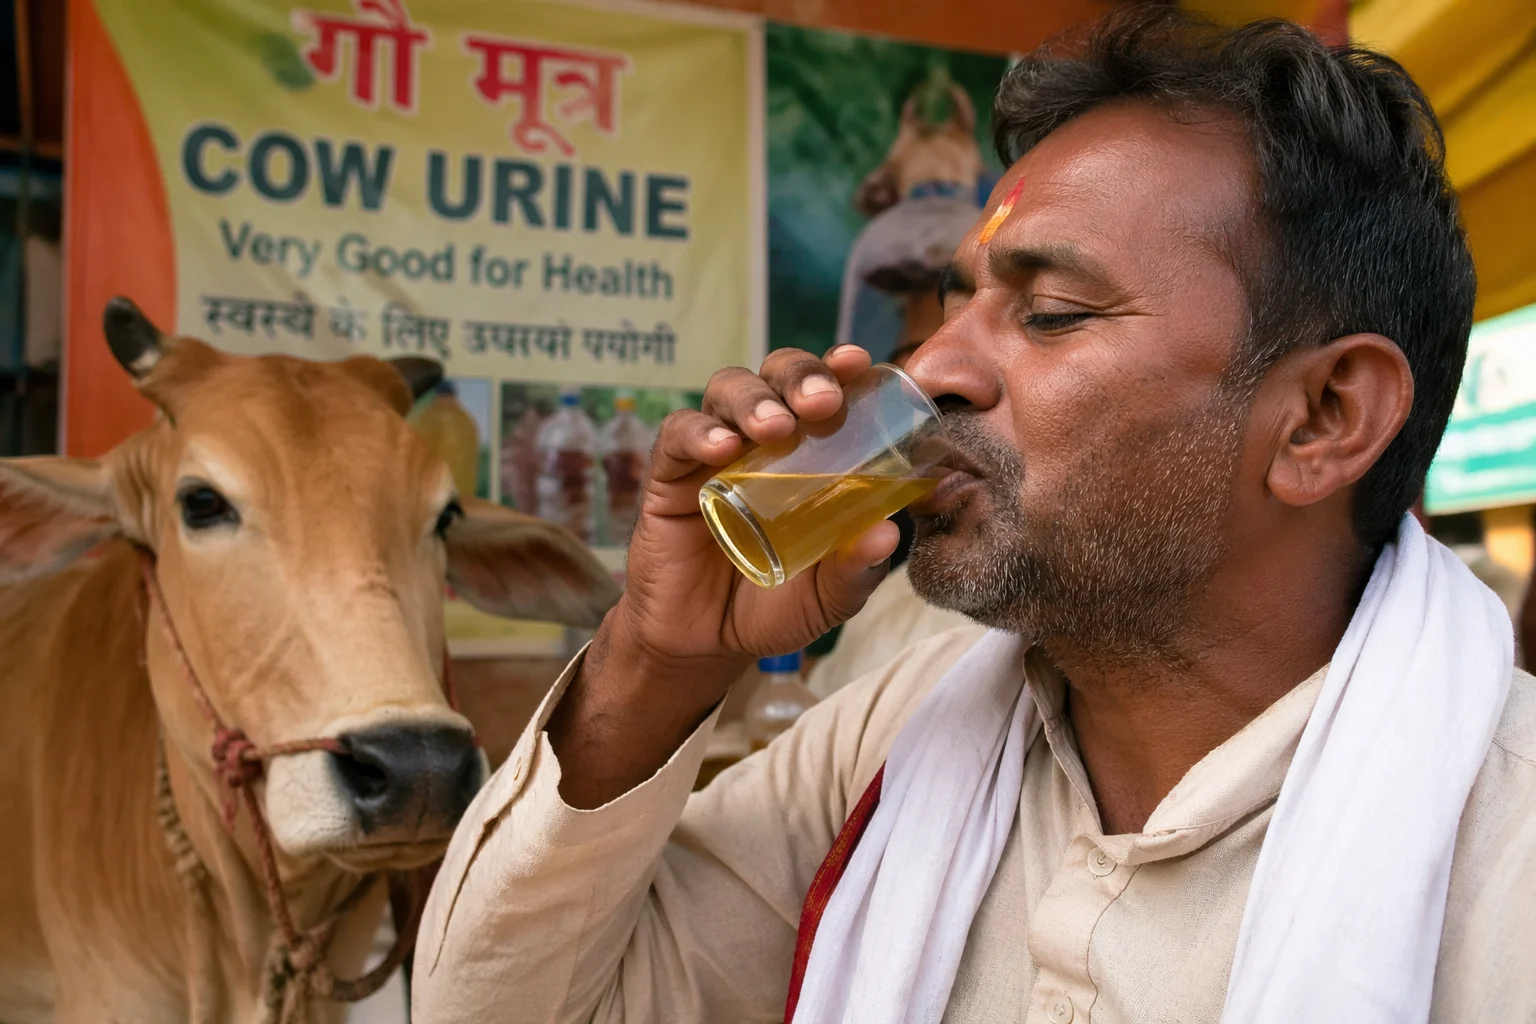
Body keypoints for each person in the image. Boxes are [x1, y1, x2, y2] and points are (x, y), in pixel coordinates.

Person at [412, 10, 1536, 1023]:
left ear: (1322, 418)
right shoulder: (894, 739)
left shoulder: (1506, 854)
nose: (932, 364)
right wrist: (657, 658)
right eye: (956, 306)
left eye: (1048, 313)